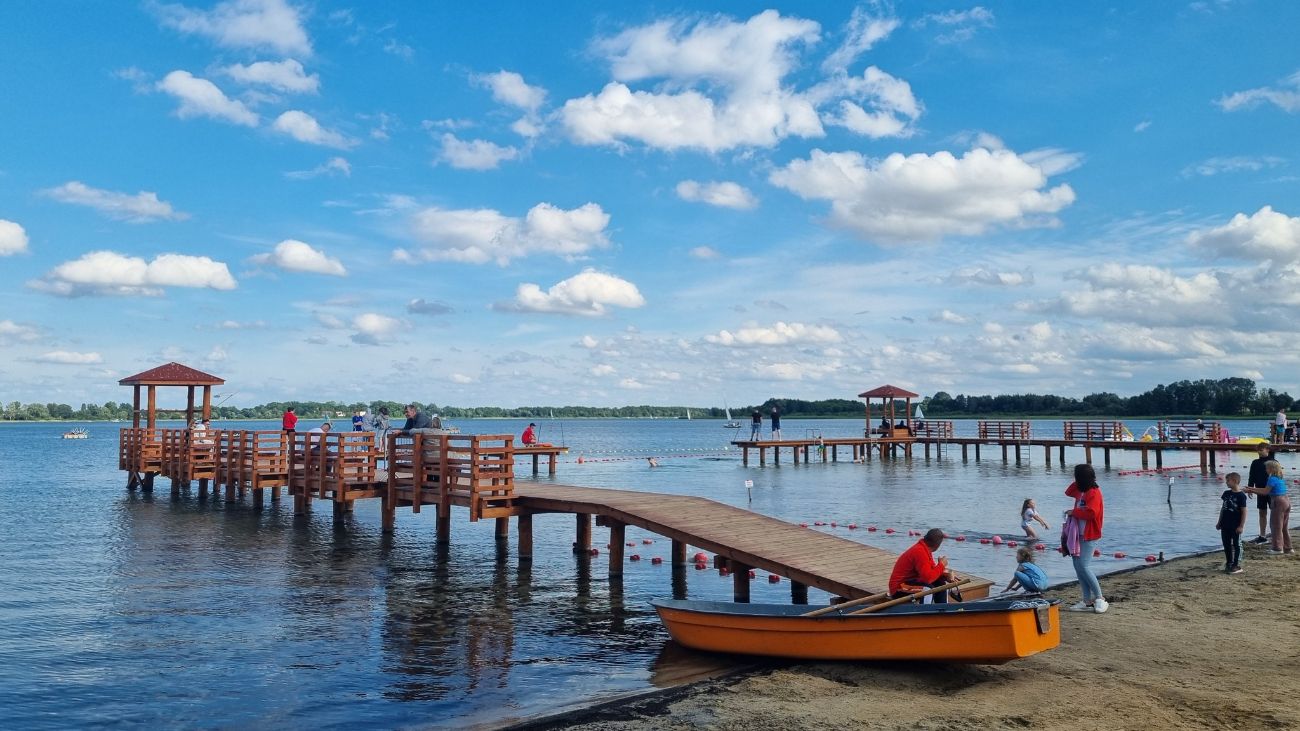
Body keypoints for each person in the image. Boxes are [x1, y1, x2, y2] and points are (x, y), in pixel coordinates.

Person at [1064, 464, 1108, 613]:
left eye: (1076, 476)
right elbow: (1068, 491)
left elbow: (1092, 514)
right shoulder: (1080, 491)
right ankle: (1086, 600)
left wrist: (1074, 512)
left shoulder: (1093, 492)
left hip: (1090, 534)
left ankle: (1100, 598)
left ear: (1082, 478)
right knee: (1078, 566)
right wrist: (1078, 481)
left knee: (1084, 565)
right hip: (1078, 534)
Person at [888, 528, 957, 604]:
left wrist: (946, 575)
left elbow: (932, 572)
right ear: (938, 545)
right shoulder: (920, 551)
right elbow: (928, 578)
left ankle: (943, 610)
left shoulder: (925, 549)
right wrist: (941, 565)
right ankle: (925, 613)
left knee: (941, 584)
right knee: (927, 590)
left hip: (911, 582)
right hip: (898, 588)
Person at [1244, 460, 1293, 555]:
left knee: (1275, 526)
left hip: (1278, 501)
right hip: (1286, 500)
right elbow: (1266, 490)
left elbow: (1265, 492)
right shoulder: (1280, 477)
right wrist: (1251, 488)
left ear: (1271, 468)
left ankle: (1277, 548)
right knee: (1284, 526)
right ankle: (1288, 548)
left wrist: (1251, 491)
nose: (1265, 469)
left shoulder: (1272, 478)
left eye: (1266, 468)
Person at [1216, 472, 1248, 574]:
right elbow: (1223, 508)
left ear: (1234, 481)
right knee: (1226, 544)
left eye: (1228, 480)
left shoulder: (1241, 496)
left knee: (1237, 544)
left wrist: (1241, 526)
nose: (1226, 482)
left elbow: (1244, 511)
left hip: (1235, 525)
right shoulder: (1226, 493)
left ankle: (1236, 565)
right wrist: (1219, 522)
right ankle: (1229, 562)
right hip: (1225, 524)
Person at [1247, 443, 1275, 544]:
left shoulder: (1273, 462)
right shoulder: (1255, 462)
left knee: (1274, 513)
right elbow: (1252, 475)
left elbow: (1279, 476)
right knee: (1262, 512)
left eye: (1261, 449)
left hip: (1271, 491)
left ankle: (1275, 534)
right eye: (1258, 449)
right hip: (1259, 490)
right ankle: (1262, 535)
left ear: (1267, 450)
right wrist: (1250, 488)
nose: (1259, 451)